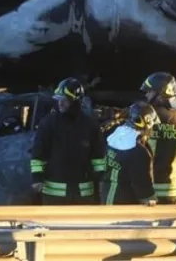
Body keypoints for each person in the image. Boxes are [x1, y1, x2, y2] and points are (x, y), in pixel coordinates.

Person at [30, 77, 106, 205]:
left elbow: (98, 157)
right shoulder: (48, 123)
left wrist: (101, 179)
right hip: (54, 195)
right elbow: (38, 154)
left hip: (83, 194)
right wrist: (37, 178)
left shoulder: (90, 125)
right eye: (59, 100)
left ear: (75, 101)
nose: (60, 104)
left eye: (64, 100)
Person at [140, 71, 176, 204]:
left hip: (148, 194)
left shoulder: (145, 119)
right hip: (175, 194)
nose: (146, 95)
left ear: (160, 94)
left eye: (149, 92)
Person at [103, 102, 159, 205]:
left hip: (107, 196)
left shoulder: (113, 136)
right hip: (125, 204)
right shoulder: (139, 151)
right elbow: (143, 187)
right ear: (147, 123)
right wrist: (153, 201)